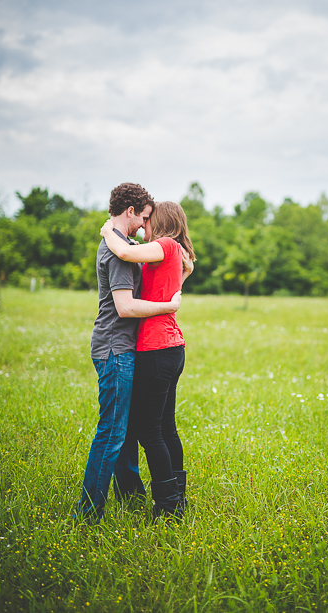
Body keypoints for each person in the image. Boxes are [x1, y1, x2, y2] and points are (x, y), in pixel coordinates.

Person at [75, 183, 182, 522]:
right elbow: (124, 307)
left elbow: (172, 260)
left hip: (132, 348)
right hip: (115, 348)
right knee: (114, 431)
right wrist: (168, 305)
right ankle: (88, 511)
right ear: (130, 211)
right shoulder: (115, 250)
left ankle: (131, 494)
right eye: (143, 218)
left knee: (132, 428)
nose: (145, 226)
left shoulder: (130, 245)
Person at [100, 201, 195, 518]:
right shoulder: (176, 252)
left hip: (155, 349)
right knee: (166, 428)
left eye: (149, 220)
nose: (144, 225)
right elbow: (180, 281)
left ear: (162, 221)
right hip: (172, 348)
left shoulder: (166, 245)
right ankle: (177, 500)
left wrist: (108, 231)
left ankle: (168, 508)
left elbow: (125, 253)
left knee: (150, 431)